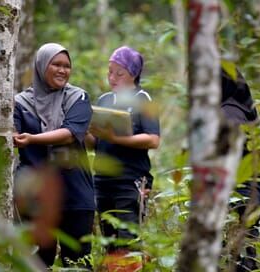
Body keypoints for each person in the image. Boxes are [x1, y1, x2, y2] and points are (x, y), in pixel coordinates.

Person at [13, 43, 95, 268]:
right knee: (37, 262)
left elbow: (71, 133)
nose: (63, 70)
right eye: (56, 64)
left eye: (67, 66)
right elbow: (11, 132)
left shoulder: (78, 97)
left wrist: (32, 138)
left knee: (77, 262)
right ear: (41, 67)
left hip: (75, 195)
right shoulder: (20, 103)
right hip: (35, 197)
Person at [86, 46, 160, 253]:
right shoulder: (104, 100)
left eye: (120, 73)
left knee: (128, 242)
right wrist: (84, 132)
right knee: (109, 243)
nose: (112, 77)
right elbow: (95, 145)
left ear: (134, 74)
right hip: (102, 181)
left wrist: (116, 138)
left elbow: (153, 139)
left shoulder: (143, 98)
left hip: (130, 181)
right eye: (110, 71)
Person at [221, 67, 259, 271]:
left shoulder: (228, 114)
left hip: (235, 198)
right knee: (245, 256)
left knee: (233, 258)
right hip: (250, 196)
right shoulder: (245, 109)